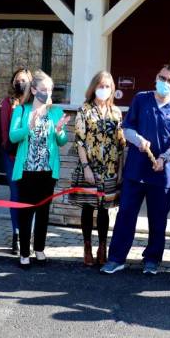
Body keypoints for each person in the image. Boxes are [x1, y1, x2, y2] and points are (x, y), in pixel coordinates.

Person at [100, 65, 170, 275]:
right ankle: (116, 258)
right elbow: (127, 128)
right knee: (125, 216)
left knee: (158, 220)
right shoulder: (141, 99)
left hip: (161, 175)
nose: (165, 82)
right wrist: (138, 139)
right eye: (162, 77)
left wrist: (164, 158)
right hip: (135, 172)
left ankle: (152, 259)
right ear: (156, 78)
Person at [9, 70, 70, 269]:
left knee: (43, 211)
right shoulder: (21, 110)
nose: (48, 92)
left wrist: (60, 130)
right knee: (26, 212)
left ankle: (40, 249)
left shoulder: (55, 112)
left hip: (47, 170)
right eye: (44, 89)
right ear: (34, 90)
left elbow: (61, 141)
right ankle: (24, 253)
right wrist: (29, 126)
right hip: (26, 170)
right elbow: (13, 137)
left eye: (50, 89)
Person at [68, 71, 126, 266]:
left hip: (109, 168)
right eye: (101, 86)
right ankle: (87, 246)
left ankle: (103, 246)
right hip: (90, 167)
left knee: (104, 209)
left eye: (108, 86)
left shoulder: (116, 112)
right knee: (88, 206)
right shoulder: (84, 110)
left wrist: (120, 171)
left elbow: (120, 144)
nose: (104, 90)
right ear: (94, 87)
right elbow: (80, 141)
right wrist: (86, 168)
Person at [0, 68, 32, 255]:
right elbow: (5, 133)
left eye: (24, 80)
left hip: (31, 159)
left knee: (29, 197)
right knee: (16, 195)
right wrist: (10, 150)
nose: (20, 83)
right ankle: (16, 235)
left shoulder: (33, 103)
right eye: (17, 79)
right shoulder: (7, 102)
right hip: (12, 157)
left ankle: (29, 234)